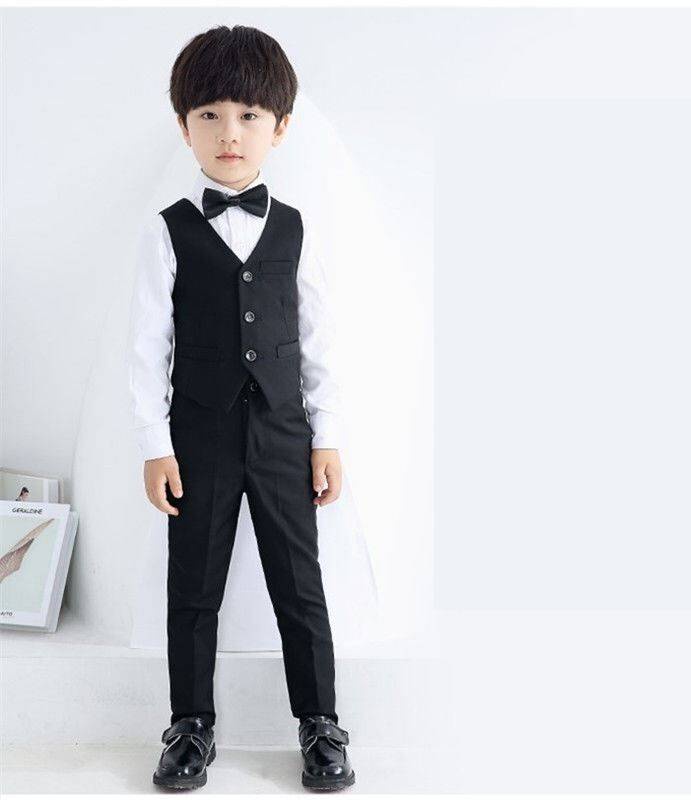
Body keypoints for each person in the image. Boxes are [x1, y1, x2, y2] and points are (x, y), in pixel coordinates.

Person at [126, 24, 355, 792]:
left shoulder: (296, 227)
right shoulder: (167, 232)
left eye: (249, 115)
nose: (230, 133)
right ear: (184, 125)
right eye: (211, 115)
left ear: (279, 127)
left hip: (286, 431)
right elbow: (146, 345)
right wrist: (154, 444)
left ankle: (320, 723)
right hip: (199, 432)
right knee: (193, 586)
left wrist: (327, 436)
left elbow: (318, 338)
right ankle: (190, 725)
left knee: (301, 584)